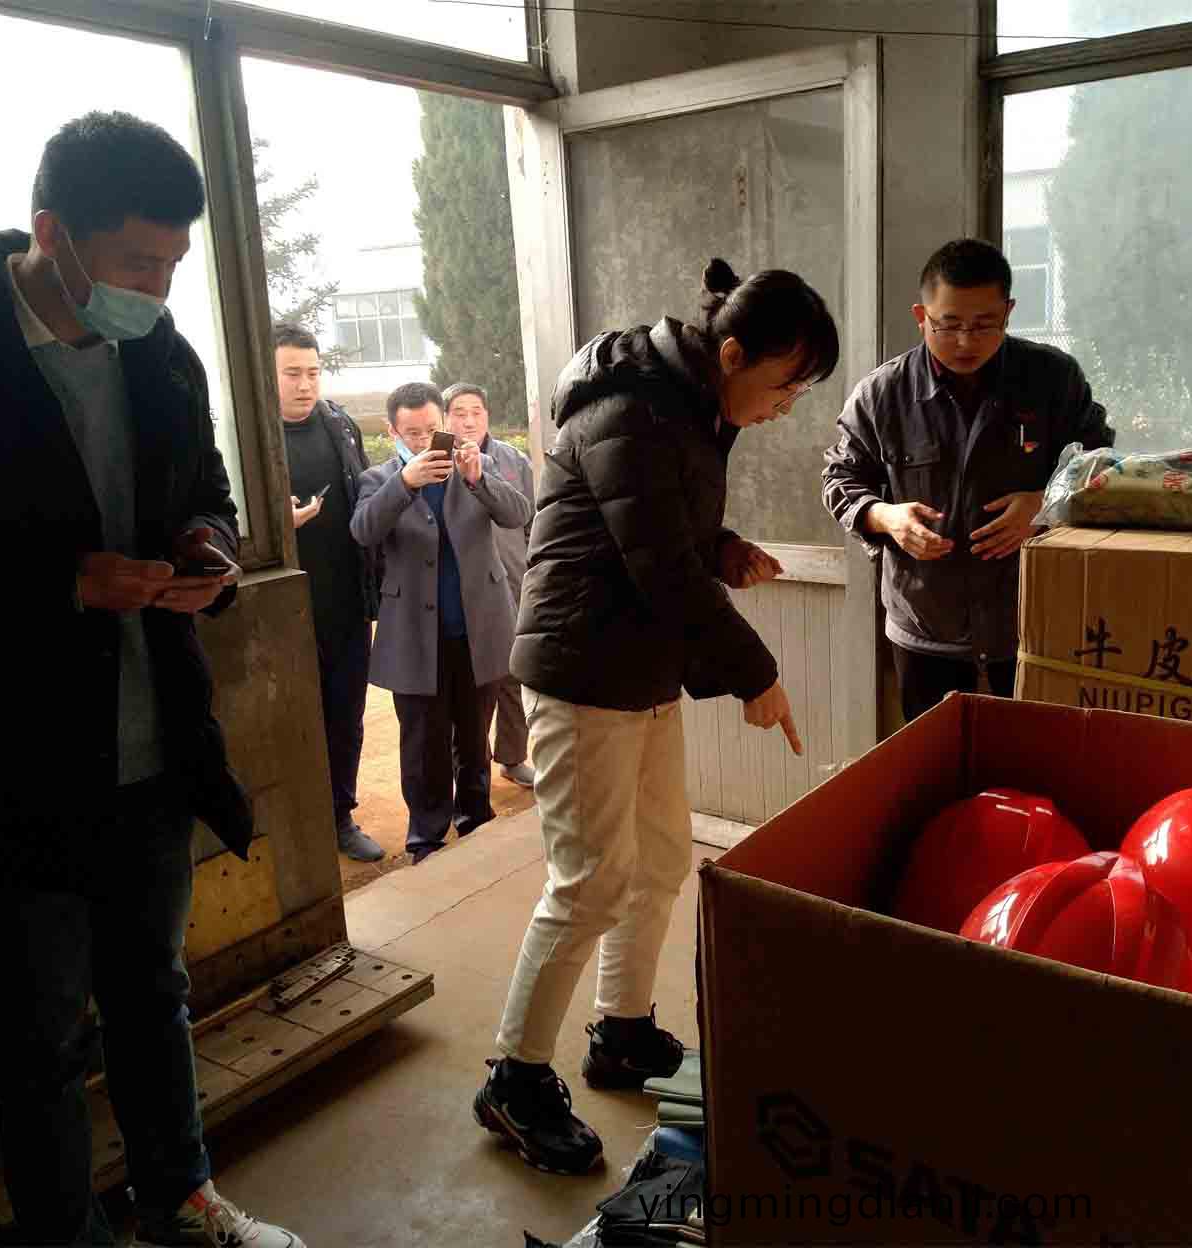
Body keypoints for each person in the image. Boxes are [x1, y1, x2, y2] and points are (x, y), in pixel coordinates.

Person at [0, 112, 301, 1248]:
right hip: (5, 763)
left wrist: (208, 550)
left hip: (150, 748)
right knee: (38, 1039)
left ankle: (180, 1201)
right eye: (137, 261)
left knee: (154, 996)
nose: (157, 287)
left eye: (173, 263)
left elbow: (205, 490)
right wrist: (60, 583)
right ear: (50, 232)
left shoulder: (159, 351)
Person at [475, 259, 837, 1176]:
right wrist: (755, 672)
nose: (786, 406)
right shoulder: (631, 408)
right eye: (786, 384)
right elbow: (659, 565)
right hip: (580, 668)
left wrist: (726, 548)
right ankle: (514, 1079)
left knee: (663, 856)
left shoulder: (693, 405)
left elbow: (668, 533)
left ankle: (622, 1031)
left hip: (636, 666)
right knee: (589, 883)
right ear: (732, 353)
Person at [822, 238, 1114, 724]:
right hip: (924, 626)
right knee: (935, 757)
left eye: (983, 325)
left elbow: (1099, 466)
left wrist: (1043, 504)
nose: (965, 342)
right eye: (949, 324)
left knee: (1032, 754)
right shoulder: (883, 394)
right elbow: (840, 478)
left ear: (1008, 312)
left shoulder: (1052, 380)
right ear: (921, 316)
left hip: (1029, 621)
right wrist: (886, 517)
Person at [351, 382, 532, 865]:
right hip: (415, 636)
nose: (423, 440)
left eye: (431, 429)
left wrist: (479, 479)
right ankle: (426, 835)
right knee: (422, 742)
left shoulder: (475, 465)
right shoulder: (378, 479)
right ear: (392, 431)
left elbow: (519, 513)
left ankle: (475, 818)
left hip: (477, 628)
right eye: (412, 433)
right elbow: (363, 530)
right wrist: (405, 483)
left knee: (473, 736)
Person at [274, 322, 385, 862]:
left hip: (345, 603)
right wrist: (278, 525)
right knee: (292, 722)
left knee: (346, 715)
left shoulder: (340, 425)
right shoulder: (247, 438)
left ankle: (340, 817)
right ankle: (296, 826)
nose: (305, 384)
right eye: (292, 373)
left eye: (313, 372)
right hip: (281, 610)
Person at [444, 381, 536, 788]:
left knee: (517, 673)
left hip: (515, 581)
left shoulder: (514, 461)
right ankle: (470, 764)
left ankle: (513, 756)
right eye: (459, 413)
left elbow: (532, 520)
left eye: (476, 412)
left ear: (487, 416)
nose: (468, 421)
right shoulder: (439, 466)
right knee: (475, 680)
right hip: (473, 588)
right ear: (445, 418)